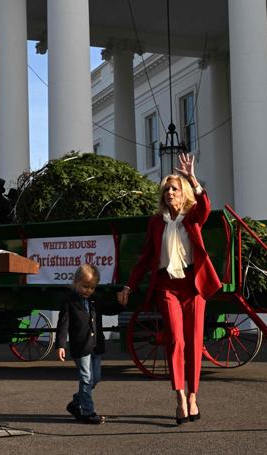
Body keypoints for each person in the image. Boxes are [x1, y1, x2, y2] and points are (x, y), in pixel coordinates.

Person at [117, 152, 221, 425]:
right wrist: (129, 285)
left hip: (193, 286)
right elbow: (144, 258)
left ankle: (194, 396)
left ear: (183, 192)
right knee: (175, 339)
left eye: (174, 188)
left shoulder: (192, 217)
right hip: (167, 286)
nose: (169, 192)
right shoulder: (155, 222)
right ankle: (179, 399)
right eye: (166, 189)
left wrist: (191, 176)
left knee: (195, 342)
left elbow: (206, 207)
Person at [56, 264, 127, 424]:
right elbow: (63, 324)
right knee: (86, 378)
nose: (88, 290)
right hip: (81, 347)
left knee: (96, 378)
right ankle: (88, 412)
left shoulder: (96, 299)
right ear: (76, 282)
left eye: (92, 287)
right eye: (85, 286)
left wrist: (121, 305)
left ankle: (76, 403)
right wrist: (60, 345)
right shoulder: (69, 301)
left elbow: (108, 309)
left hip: (96, 345)